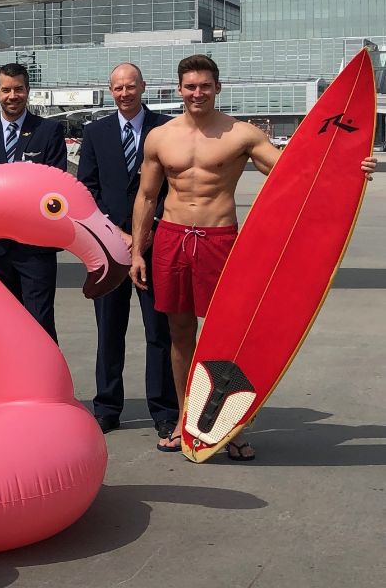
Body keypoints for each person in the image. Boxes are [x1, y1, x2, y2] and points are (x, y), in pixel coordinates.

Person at [131, 54, 376, 458]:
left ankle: (231, 426)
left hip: (220, 240)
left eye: (204, 86)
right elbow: (146, 196)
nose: (197, 93)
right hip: (172, 239)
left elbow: (296, 174)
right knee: (179, 333)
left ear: (217, 88)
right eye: (190, 86)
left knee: (229, 332)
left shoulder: (241, 134)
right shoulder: (160, 137)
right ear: (179, 89)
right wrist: (137, 251)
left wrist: (353, 167)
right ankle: (185, 418)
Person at [77, 63, 177, 437]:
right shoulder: (95, 133)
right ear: (110, 91)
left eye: (130, 86)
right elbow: (87, 190)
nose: (124, 94)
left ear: (143, 86)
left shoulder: (167, 129)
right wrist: (117, 233)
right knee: (109, 331)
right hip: (109, 248)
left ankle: (164, 410)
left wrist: (146, 230)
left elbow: (174, 187)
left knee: (159, 332)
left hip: (156, 244)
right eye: (118, 88)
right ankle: (107, 408)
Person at [0, 63, 67, 342]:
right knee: (0, 325)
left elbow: (55, 186)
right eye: (6, 90)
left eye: (18, 89)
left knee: (39, 324)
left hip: (35, 248)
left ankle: (43, 371)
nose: (12, 96)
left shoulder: (49, 131)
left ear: (28, 91)